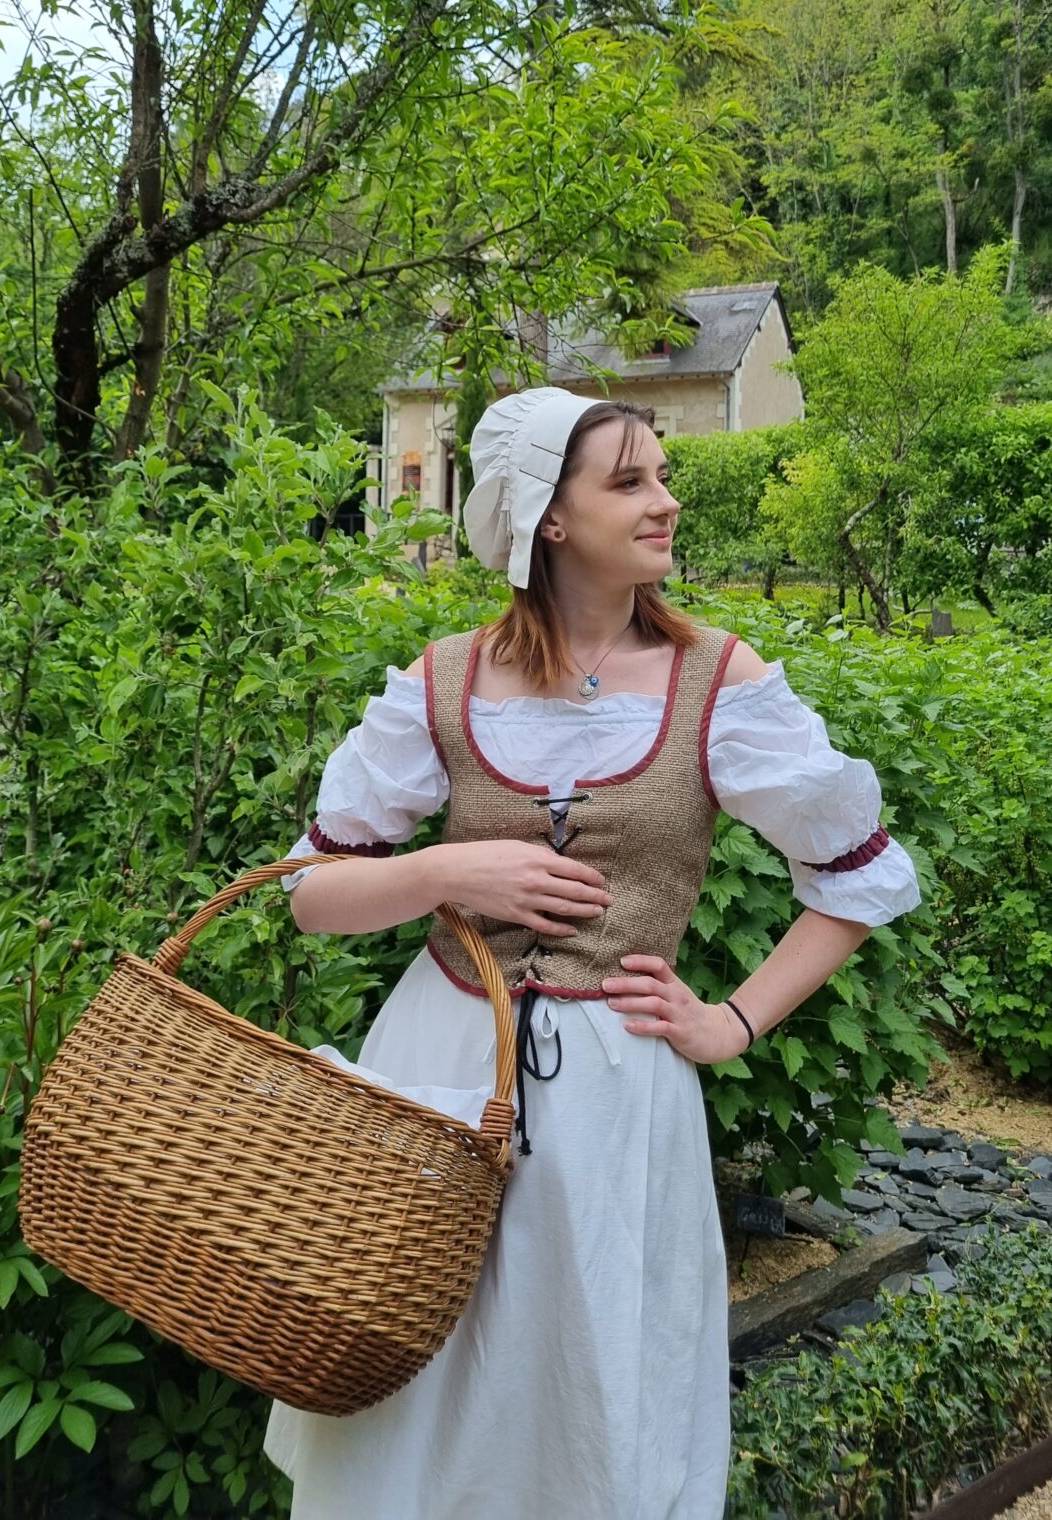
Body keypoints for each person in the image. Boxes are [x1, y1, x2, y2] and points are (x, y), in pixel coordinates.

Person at [263, 387, 920, 1520]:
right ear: (546, 520)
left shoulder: (722, 681)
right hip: (441, 1070)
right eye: (630, 482)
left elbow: (857, 878)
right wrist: (442, 873)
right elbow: (310, 895)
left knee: (594, 1386)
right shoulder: (447, 681)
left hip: (620, 1096)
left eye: (662, 475)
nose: (666, 502)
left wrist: (731, 1022)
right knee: (418, 1383)